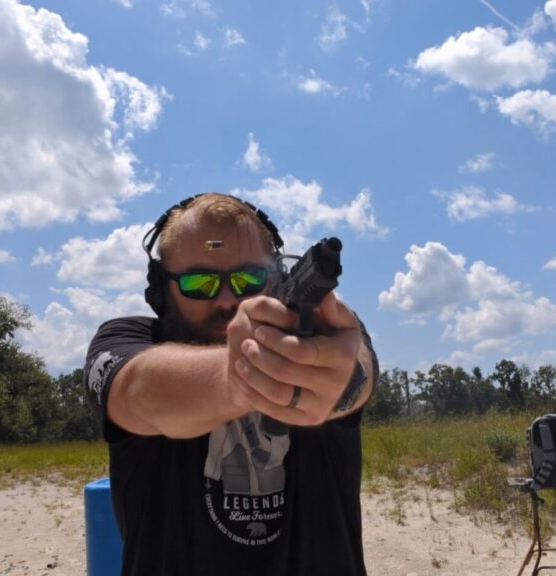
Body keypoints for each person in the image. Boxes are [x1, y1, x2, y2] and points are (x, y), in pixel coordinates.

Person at [84, 193, 378, 575]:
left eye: (247, 278)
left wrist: (337, 378)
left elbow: (357, 373)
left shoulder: (328, 333)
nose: (226, 299)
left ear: (277, 277)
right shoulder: (122, 338)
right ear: (160, 288)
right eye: (199, 282)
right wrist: (242, 375)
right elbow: (137, 390)